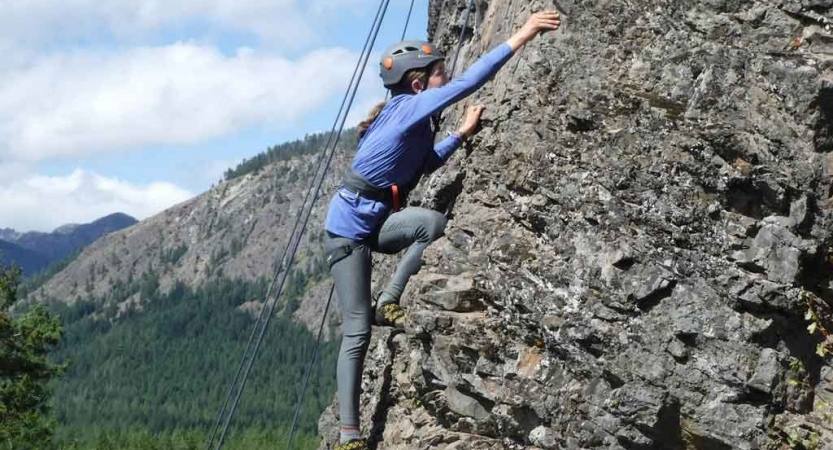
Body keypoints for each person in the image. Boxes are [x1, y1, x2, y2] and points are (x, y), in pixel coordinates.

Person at [323, 10, 561, 450]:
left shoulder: (411, 118)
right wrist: (523, 34)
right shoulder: (409, 109)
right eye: (438, 75)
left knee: (431, 224)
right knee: (356, 331)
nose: (445, 80)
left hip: (376, 220)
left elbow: (423, 166)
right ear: (418, 83)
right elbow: (469, 82)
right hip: (347, 233)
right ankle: (349, 436)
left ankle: (389, 300)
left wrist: (460, 135)